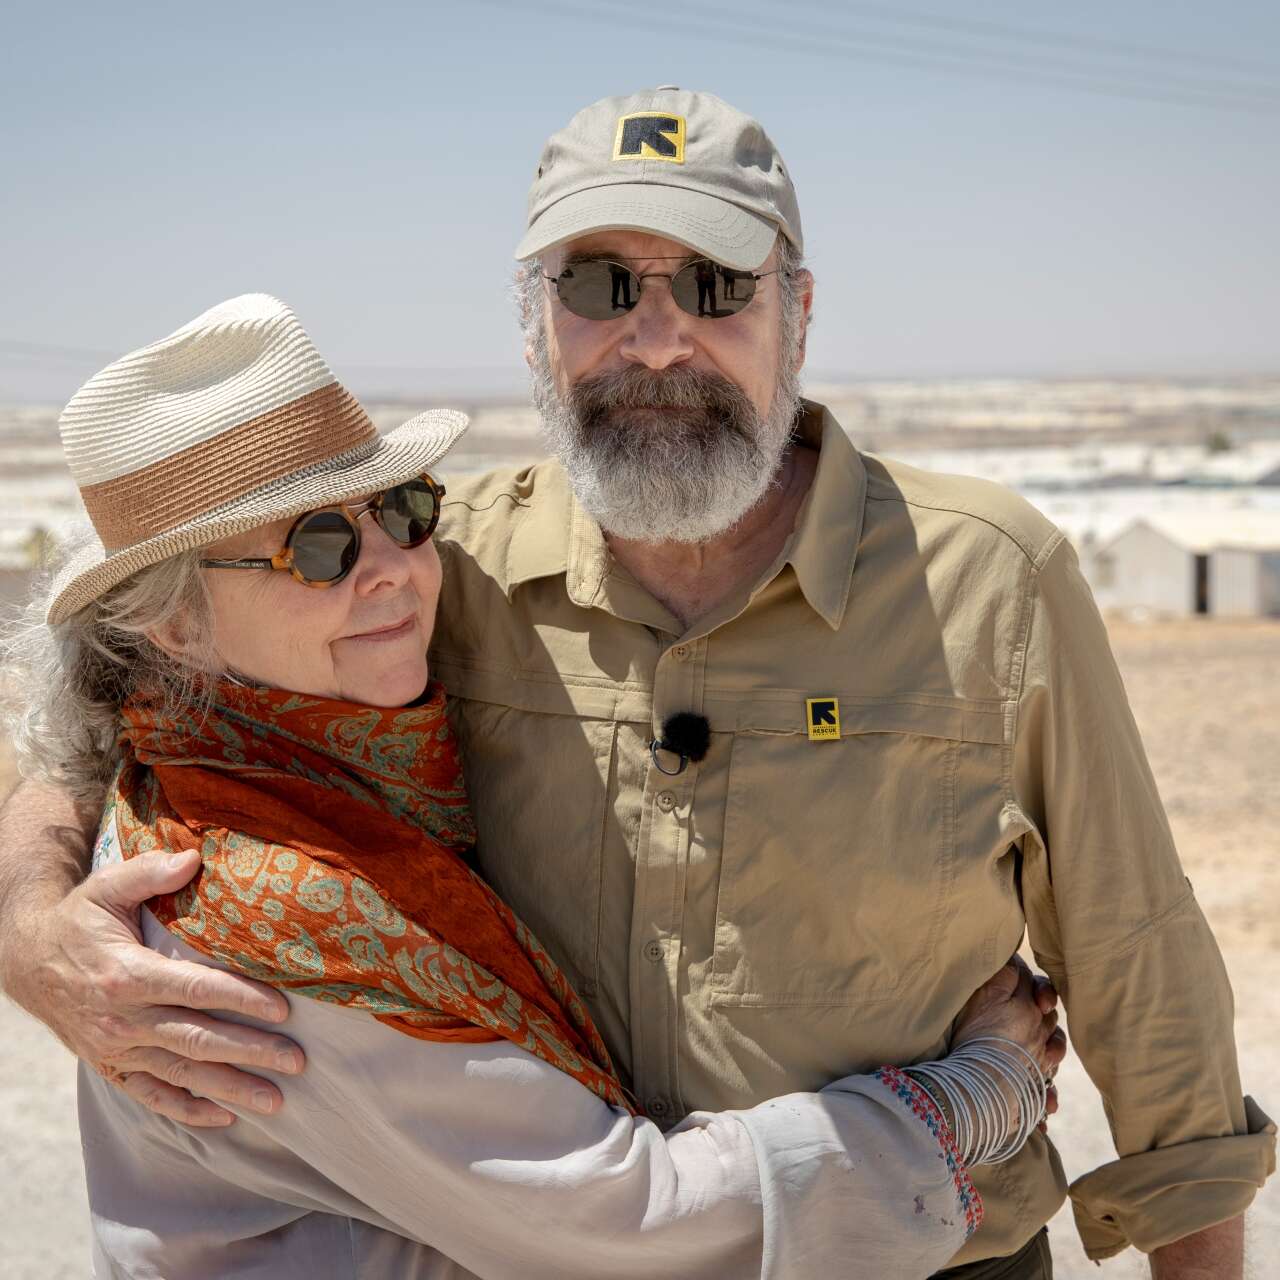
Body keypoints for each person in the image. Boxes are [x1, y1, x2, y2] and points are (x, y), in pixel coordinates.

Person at [0, 87, 1274, 1278]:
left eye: (716, 284)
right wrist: (36, 929)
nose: (654, 339)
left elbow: (1136, 964)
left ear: (801, 308)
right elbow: (104, 717)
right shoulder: (453, 570)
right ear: (533, 321)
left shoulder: (989, 579)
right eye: (599, 285)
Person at [3, 292, 1063, 1279]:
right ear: (172, 623)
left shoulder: (243, 761)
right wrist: (966, 1097)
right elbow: (629, 1222)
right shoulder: (281, 920)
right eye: (316, 546)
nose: (393, 566)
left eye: (404, 509)